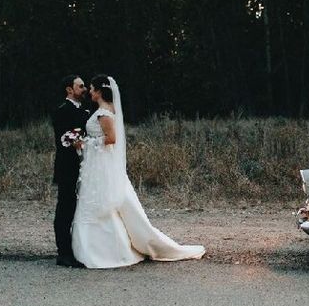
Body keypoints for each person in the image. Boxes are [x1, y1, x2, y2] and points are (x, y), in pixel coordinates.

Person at [72, 74, 205, 268]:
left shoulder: (104, 113)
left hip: (102, 164)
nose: (89, 92)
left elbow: (111, 139)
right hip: (99, 164)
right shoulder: (103, 110)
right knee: (101, 202)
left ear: (100, 91)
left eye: (92, 88)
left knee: (104, 202)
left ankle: (108, 252)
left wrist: (84, 143)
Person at [50, 75, 90, 268]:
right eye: (80, 86)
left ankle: (77, 247)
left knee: (77, 208)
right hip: (68, 167)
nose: (84, 89)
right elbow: (65, 140)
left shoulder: (85, 111)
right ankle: (63, 253)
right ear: (69, 90)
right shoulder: (61, 112)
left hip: (85, 167)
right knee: (65, 208)